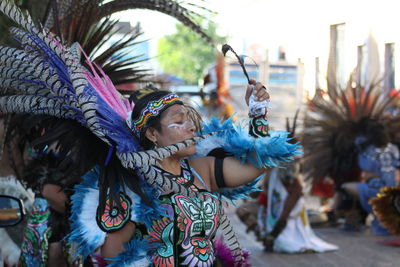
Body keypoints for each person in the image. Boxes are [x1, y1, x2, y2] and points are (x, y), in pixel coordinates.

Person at [341, 120, 400, 235]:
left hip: (378, 189)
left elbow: (366, 171)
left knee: (347, 187)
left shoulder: (368, 151)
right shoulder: (394, 149)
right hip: (393, 188)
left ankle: (378, 218)